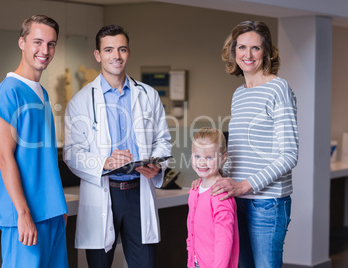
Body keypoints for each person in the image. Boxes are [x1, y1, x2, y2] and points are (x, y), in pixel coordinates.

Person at [63, 24, 172, 268]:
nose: (116, 56)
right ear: (98, 55)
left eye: (122, 49)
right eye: (109, 50)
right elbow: (72, 154)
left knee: (144, 263)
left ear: (129, 53)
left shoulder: (148, 95)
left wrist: (156, 164)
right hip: (103, 190)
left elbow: (163, 141)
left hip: (138, 191)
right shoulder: (80, 101)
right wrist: (104, 162)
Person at [192, 21, 299, 268]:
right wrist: (213, 178)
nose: (247, 55)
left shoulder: (278, 88)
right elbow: (239, 153)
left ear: (267, 52)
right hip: (236, 198)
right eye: (241, 47)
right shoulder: (239, 94)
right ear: (233, 51)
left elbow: (289, 155)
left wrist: (244, 186)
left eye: (255, 48)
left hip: (267, 203)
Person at [0, 15, 69, 268]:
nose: (45, 50)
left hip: (51, 213)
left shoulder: (42, 93)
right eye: (37, 42)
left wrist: (58, 206)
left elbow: (43, 158)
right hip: (24, 216)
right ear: (22, 43)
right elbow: (5, 156)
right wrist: (23, 213)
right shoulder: (8, 92)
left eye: (51, 44)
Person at [187, 128, 239, 268]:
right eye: (197, 156)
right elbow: (191, 233)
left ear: (223, 158)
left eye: (209, 157)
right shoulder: (195, 190)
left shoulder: (220, 194)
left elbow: (224, 239)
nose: (202, 162)